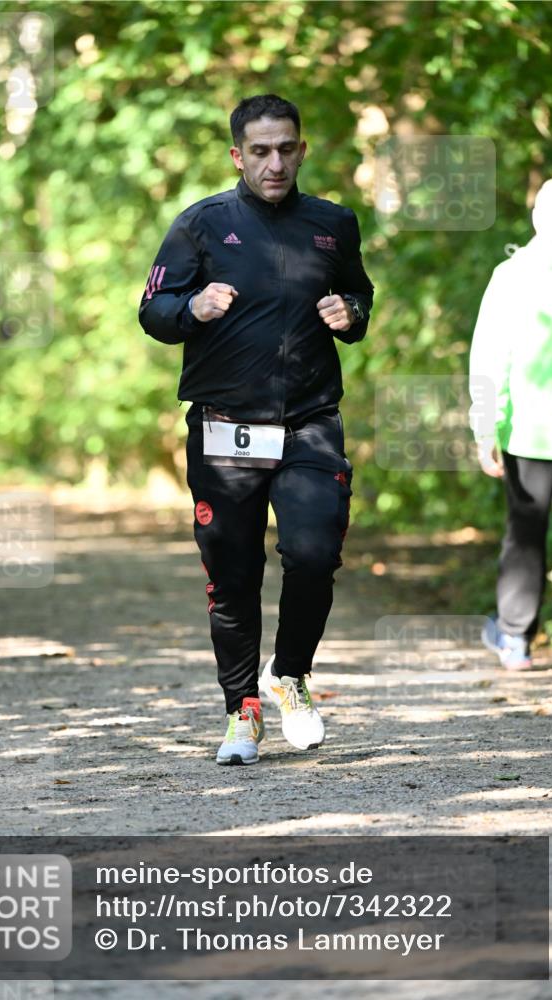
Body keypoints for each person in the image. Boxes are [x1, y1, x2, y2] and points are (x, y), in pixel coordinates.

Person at [139, 94, 374, 763]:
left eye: (286, 148)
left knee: (312, 554)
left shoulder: (333, 223)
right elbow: (152, 308)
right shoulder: (201, 225)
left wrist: (349, 313)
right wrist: (193, 306)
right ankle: (241, 709)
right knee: (233, 575)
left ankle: (290, 675)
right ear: (237, 156)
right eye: (260, 151)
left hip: (309, 423)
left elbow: (360, 292)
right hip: (224, 427)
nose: (275, 163)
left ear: (301, 150)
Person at [469, 176, 552, 678]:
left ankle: (514, 639)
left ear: (537, 219)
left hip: (529, 434)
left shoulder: (513, 274)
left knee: (524, 536)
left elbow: (491, 356)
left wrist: (486, 424)